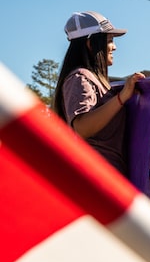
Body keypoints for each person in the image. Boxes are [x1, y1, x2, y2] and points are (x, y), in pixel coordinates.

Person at [53, 11, 145, 176]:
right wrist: (121, 97)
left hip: (109, 174)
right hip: (95, 175)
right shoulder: (79, 77)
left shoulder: (94, 79)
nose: (114, 47)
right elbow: (81, 127)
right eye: (109, 40)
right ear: (90, 44)